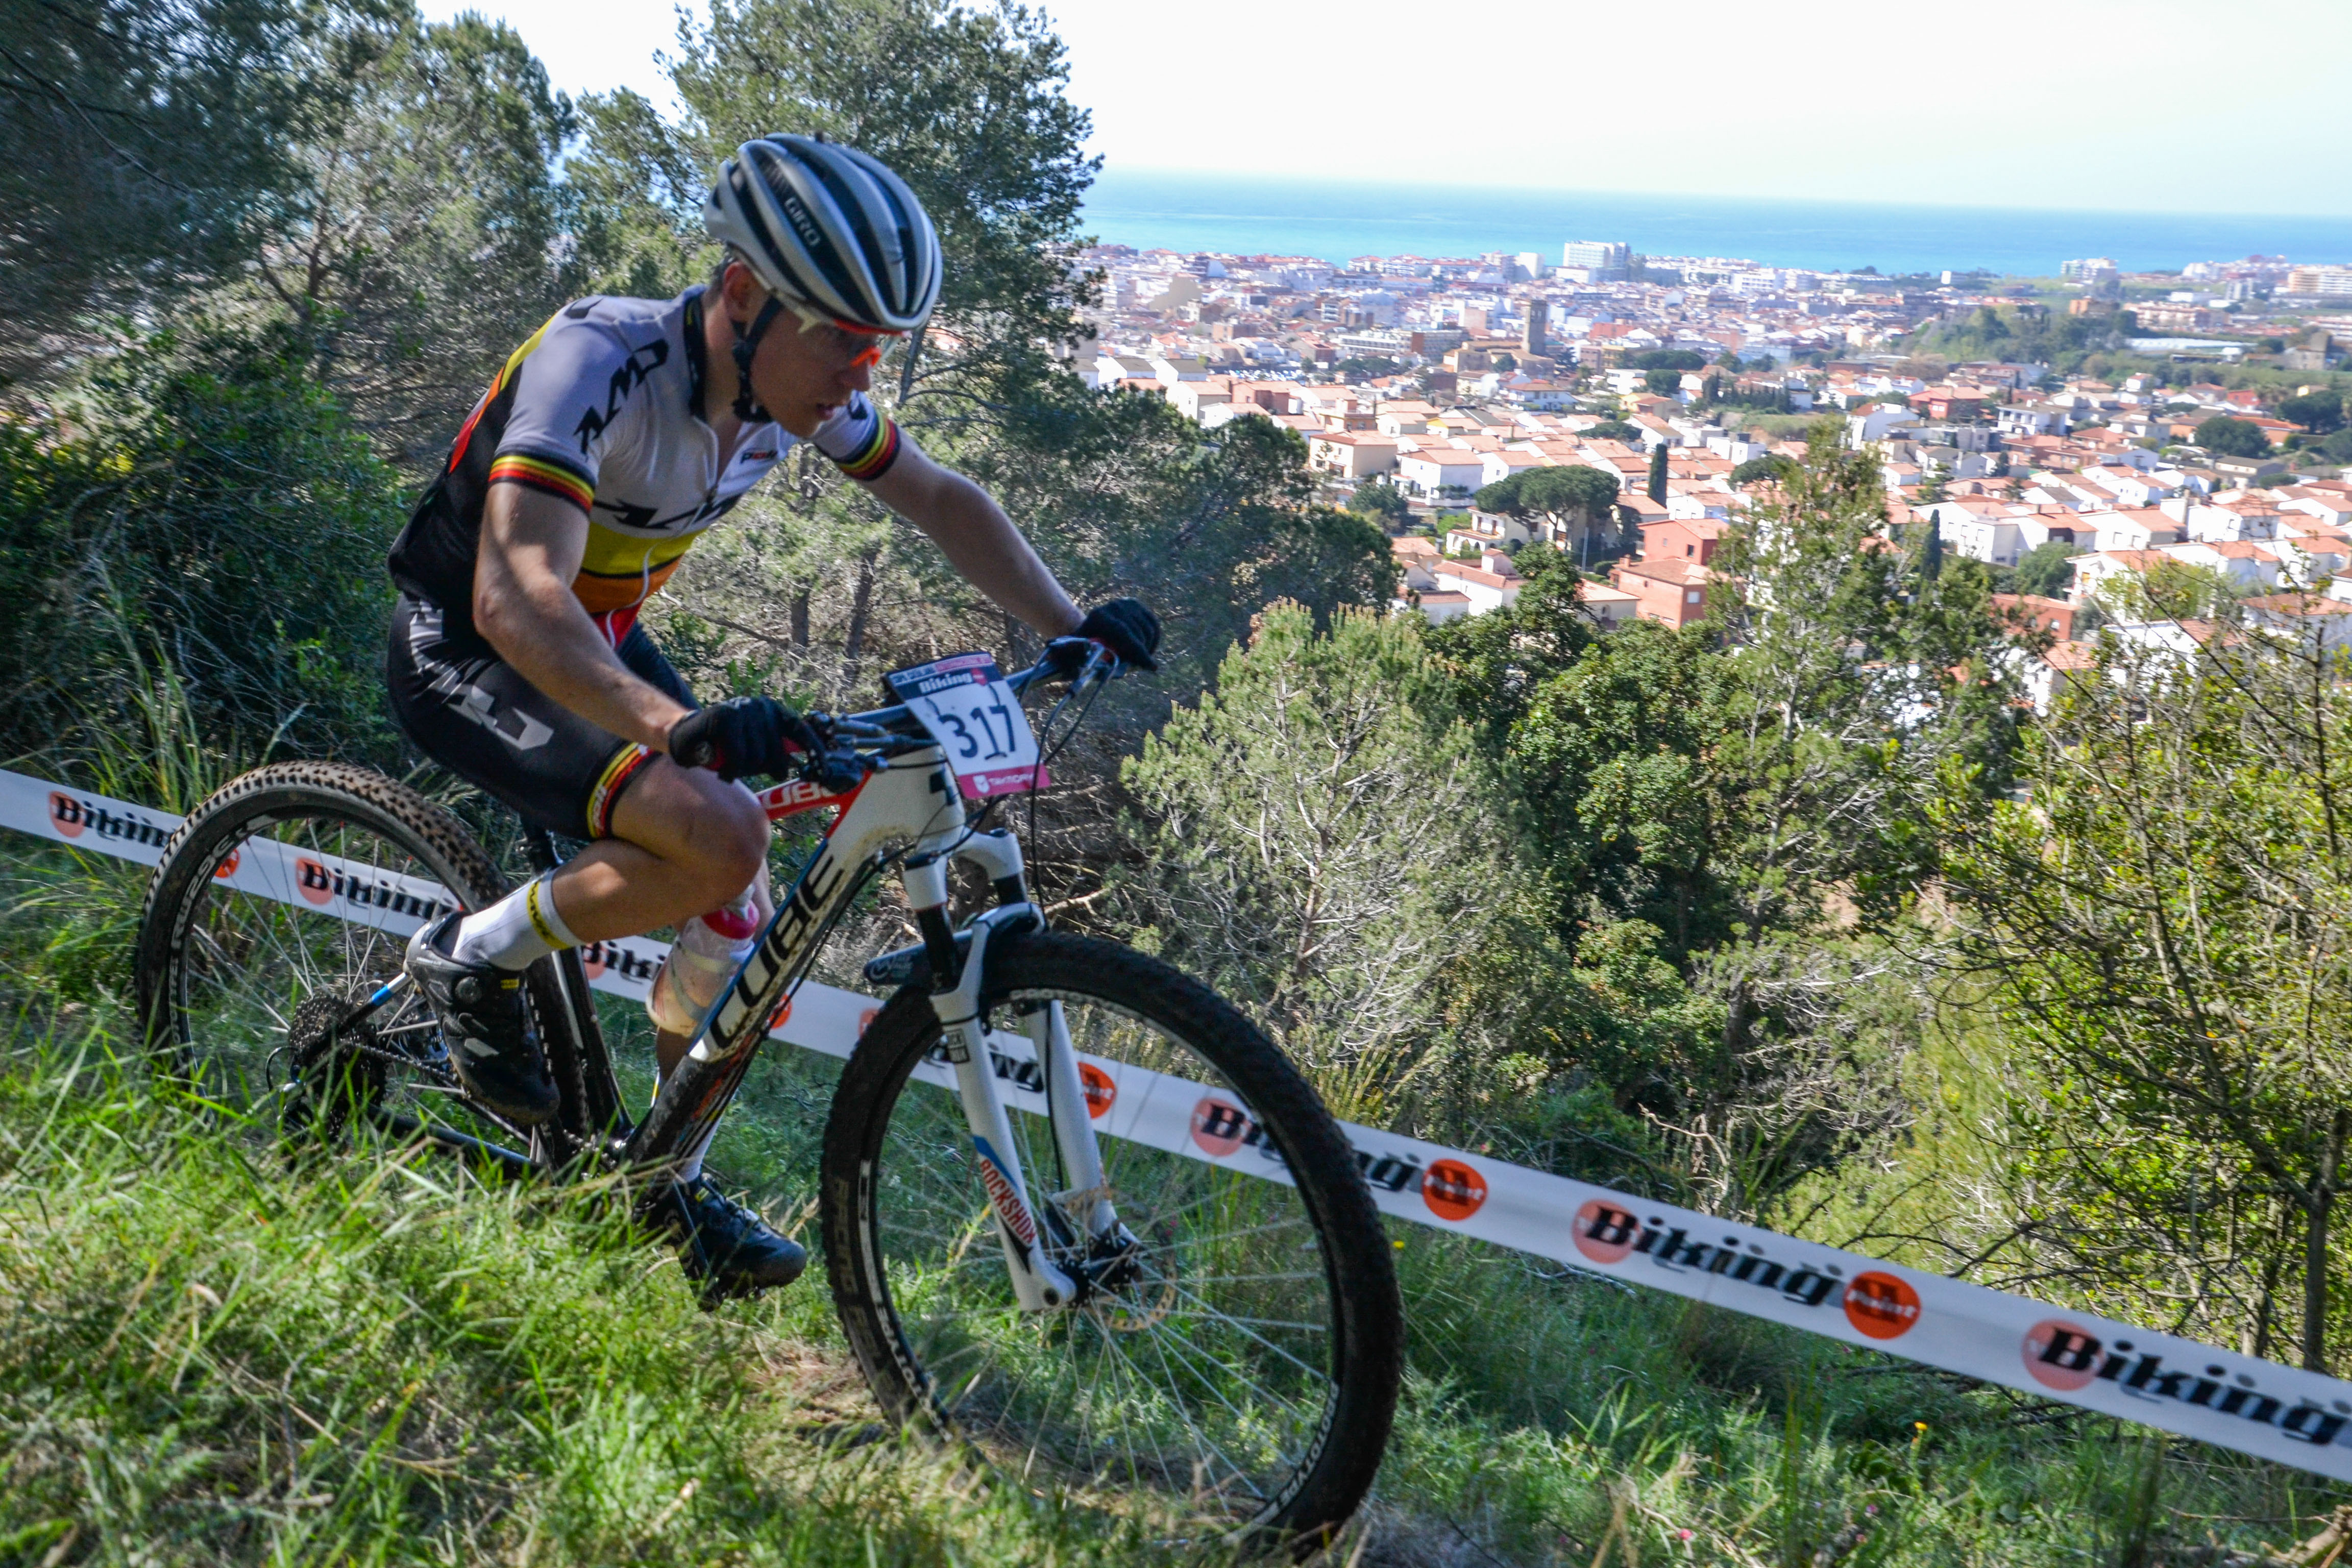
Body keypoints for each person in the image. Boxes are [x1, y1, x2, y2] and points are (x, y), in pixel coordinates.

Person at [383, 134, 1159, 1295]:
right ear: (743, 295)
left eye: (880, 348)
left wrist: (1072, 622)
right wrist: (672, 727)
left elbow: (942, 498)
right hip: (473, 641)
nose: (861, 374)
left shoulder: (786, 392)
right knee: (724, 833)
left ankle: (658, 1172)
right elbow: (514, 597)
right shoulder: (595, 361)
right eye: (844, 340)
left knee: (737, 907)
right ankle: (469, 955)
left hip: (585, 641)